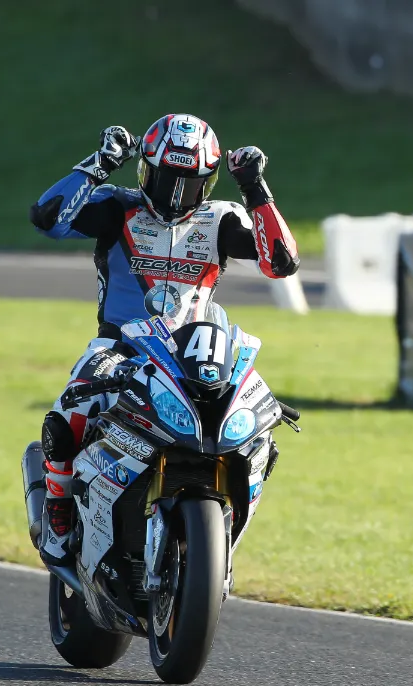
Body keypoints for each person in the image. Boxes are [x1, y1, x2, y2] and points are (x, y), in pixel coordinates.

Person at [27, 114, 300, 565]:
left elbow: (282, 263)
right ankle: (58, 505)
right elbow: (47, 219)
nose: (176, 196)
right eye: (165, 178)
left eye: (189, 184)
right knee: (69, 409)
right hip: (119, 348)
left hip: (193, 353)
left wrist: (255, 190)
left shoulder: (222, 219)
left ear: (209, 183)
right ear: (143, 170)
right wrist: (97, 163)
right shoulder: (117, 207)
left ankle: (219, 523)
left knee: (253, 426)